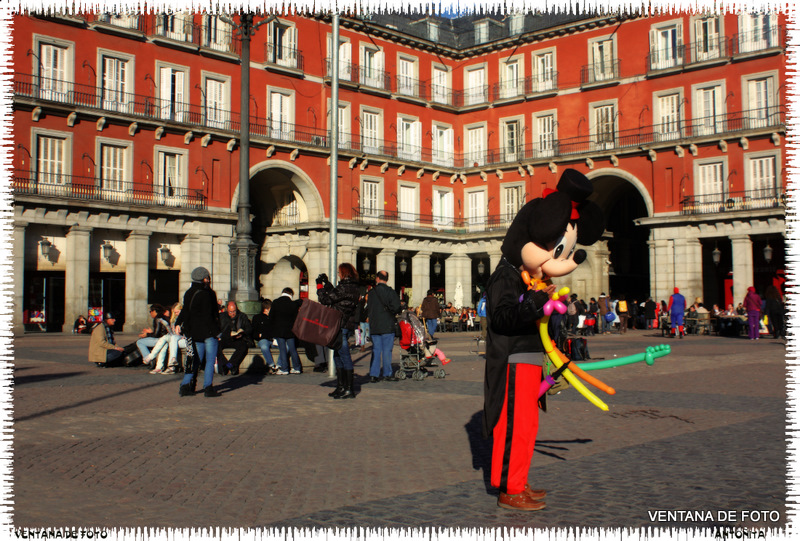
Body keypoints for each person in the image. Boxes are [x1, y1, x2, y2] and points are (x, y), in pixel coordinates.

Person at [483, 168, 605, 511]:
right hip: (511, 362)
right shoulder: (505, 278)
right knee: (511, 427)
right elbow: (503, 318)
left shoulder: (527, 281)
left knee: (526, 427)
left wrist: (546, 305)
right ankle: (509, 488)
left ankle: (520, 480)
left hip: (529, 361)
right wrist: (536, 303)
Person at [174, 267, 221, 397]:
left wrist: (178, 322)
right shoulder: (208, 293)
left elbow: (185, 310)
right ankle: (208, 387)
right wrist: (217, 332)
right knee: (210, 360)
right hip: (208, 331)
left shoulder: (189, 292)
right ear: (205, 278)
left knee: (194, 360)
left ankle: (184, 385)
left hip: (194, 332)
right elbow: (209, 315)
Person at [317, 263, 361, 399]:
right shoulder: (353, 287)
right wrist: (328, 283)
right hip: (345, 324)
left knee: (344, 355)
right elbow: (336, 296)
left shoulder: (344, 287)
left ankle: (348, 389)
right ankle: (341, 386)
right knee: (337, 353)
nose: (338, 274)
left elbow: (325, 299)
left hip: (339, 324)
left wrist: (319, 286)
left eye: (339, 272)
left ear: (344, 273)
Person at [366, 270, 401, 383]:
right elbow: (397, 308)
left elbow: (368, 309)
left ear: (377, 278)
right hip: (387, 324)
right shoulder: (390, 292)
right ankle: (387, 374)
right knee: (387, 350)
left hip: (375, 325)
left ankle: (373, 374)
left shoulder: (371, 293)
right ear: (387, 279)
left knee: (376, 350)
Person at [270, 287, 303, 375]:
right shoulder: (293, 304)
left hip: (279, 330)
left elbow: (271, 317)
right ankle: (297, 367)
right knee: (293, 349)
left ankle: (285, 369)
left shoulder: (275, 302)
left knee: (283, 350)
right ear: (291, 294)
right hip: (290, 330)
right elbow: (296, 318)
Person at [217, 301, 253, 375]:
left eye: (234, 311)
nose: (232, 314)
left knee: (243, 346)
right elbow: (218, 330)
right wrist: (227, 334)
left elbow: (249, 328)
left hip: (238, 339)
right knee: (216, 346)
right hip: (225, 339)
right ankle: (228, 365)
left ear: (237, 309)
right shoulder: (222, 316)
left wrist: (242, 332)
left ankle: (228, 365)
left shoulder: (242, 316)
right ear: (227, 310)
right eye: (230, 312)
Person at [253, 299, 279, 373]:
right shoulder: (257, 318)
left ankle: (279, 364)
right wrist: (261, 335)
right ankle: (271, 365)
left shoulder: (274, 318)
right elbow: (255, 333)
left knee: (286, 347)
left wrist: (263, 334)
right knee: (264, 346)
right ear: (266, 309)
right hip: (264, 340)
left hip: (274, 339)